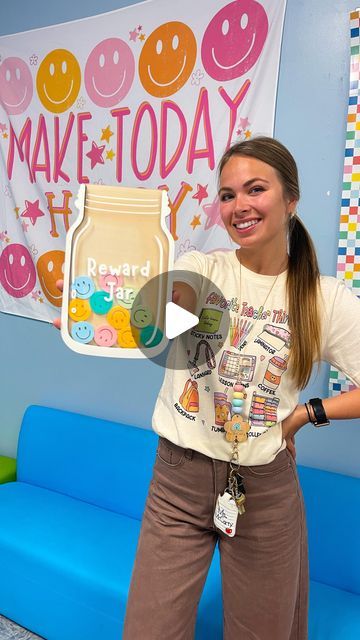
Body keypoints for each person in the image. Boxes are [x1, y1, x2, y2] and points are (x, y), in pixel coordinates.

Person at [121, 136, 360, 640]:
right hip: (177, 482)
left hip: (266, 492)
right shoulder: (203, 269)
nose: (239, 206)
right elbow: (142, 317)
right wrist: (93, 313)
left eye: (255, 189)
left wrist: (305, 413)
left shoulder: (323, 298)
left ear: (290, 199)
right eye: (227, 195)